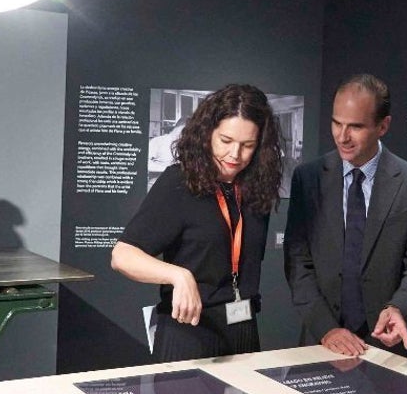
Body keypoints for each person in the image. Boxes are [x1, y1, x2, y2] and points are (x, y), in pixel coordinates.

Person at [112, 84, 283, 361]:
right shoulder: (179, 183)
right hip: (189, 332)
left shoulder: (255, 187)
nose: (235, 155)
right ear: (207, 134)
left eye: (248, 145)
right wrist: (178, 275)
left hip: (243, 328)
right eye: (225, 141)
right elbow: (122, 255)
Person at [284, 74, 407, 359]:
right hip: (322, 342)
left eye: (355, 126)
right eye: (337, 123)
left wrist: (398, 308)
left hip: (389, 346)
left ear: (383, 126)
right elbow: (297, 262)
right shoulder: (308, 179)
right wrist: (326, 328)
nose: (342, 136)